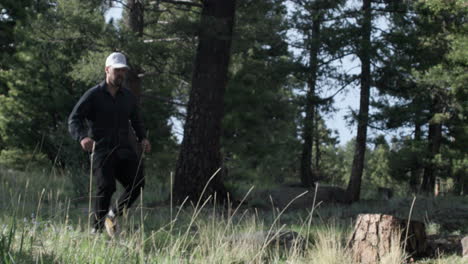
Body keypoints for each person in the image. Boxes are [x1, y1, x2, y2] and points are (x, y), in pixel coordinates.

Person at [68, 52, 151, 236]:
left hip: (123, 149)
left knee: (138, 182)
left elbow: (136, 120)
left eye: (123, 71)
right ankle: (95, 231)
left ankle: (112, 216)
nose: (121, 74)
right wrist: (82, 137)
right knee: (106, 187)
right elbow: (74, 119)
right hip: (102, 150)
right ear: (107, 70)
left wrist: (143, 138)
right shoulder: (93, 95)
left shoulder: (128, 97)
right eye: (117, 70)